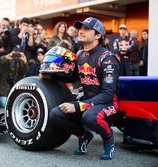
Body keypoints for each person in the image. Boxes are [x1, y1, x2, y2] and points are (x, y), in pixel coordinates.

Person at [49, 17, 120, 160]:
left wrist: (79, 106)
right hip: (88, 102)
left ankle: (108, 138)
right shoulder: (80, 54)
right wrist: (52, 75)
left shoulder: (107, 58)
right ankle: (84, 135)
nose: (81, 31)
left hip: (108, 104)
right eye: (80, 28)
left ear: (98, 35)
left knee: (89, 116)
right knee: (55, 114)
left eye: (86, 29)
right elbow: (74, 78)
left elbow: (107, 94)